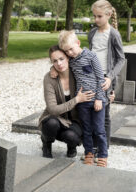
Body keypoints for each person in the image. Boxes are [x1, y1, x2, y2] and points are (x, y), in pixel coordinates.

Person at [58, 30, 108, 167]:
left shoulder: (91, 56)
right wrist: (52, 69)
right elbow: (58, 62)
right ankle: (88, 153)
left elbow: (100, 78)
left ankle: (103, 155)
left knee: (99, 129)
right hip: (82, 101)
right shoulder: (71, 61)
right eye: (66, 51)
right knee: (86, 129)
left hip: (97, 100)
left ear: (78, 43)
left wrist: (98, 98)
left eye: (71, 49)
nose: (69, 53)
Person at [39, 45, 95, 159]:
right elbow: (53, 109)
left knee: (72, 137)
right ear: (51, 63)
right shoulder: (49, 78)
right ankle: (46, 143)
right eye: (55, 61)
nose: (59, 64)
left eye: (61, 59)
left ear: (68, 57)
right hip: (55, 118)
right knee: (51, 124)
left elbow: (95, 77)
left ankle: (71, 146)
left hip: (75, 121)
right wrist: (77, 99)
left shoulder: (77, 73)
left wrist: (109, 91)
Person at [89, 0, 125, 149]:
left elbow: (121, 59)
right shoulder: (92, 33)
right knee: (91, 111)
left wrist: (110, 77)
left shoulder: (113, 34)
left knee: (104, 115)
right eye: (94, 16)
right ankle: (92, 146)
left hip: (105, 78)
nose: (96, 20)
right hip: (91, 76)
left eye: (99, 16)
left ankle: (104, 148)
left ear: (109, 15)